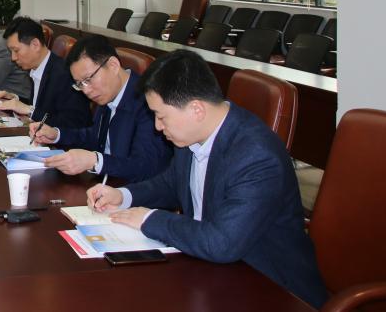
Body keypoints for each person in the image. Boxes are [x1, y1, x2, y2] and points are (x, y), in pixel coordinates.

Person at [87, 50, 327, 309]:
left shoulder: (257, 156)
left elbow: (222, 243)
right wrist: (123, 195)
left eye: (161, 116)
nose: (157, 126)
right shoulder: (191, 133)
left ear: (197, 109)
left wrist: (148, 219)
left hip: (271, 288)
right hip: (210, 269)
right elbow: (171, 183)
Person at [32, 34, 171, 182]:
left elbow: (144, 167)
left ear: (113, 65)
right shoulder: (108, 93)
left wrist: (95, 161)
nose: (86, 90)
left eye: (88, 79)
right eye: (80, 84)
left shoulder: (147, 104)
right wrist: (57, 134)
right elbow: (95, 136)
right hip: (104, 184)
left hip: (130, 190)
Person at [0, 16, 91, 130]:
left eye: (16, 50)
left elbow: (73, 124)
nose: (13, 57)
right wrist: (15, 99)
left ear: (35, 44)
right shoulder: (37, 67)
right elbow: (41, 106)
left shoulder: (65, 75)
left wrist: (30, 111)